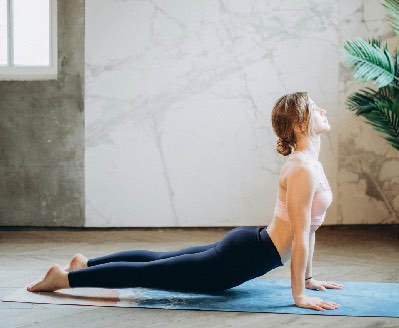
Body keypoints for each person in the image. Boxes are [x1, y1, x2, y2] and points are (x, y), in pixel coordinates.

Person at [27, 92, 343, 312]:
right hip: (241, 258)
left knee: (157, 260)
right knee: (150, 273)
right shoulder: (302, 169)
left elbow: (309, 230)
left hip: (250, 247)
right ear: (301, 124)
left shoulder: (309, 165)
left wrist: (308, 278)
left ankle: (86, 264)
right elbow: (300, 236)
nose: (323, 110)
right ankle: (65, 278)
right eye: (315, 107)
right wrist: (299, 294)